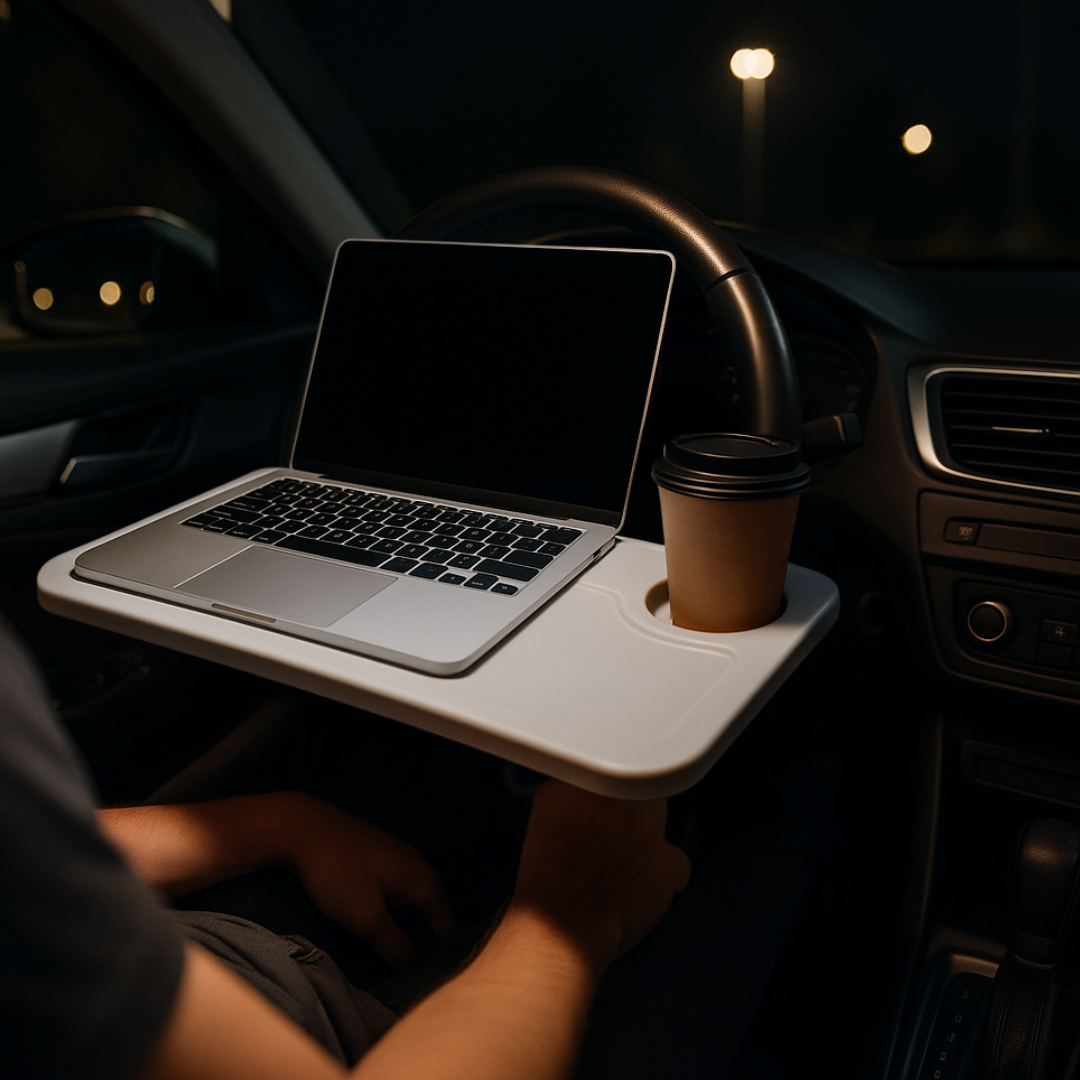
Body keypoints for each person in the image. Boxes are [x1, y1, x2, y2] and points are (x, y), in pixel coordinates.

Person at [2, 612, 695, 1080]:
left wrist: (281, 823)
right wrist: (568, 921)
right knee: (765, 860)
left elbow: (29, 870)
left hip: (202, 948)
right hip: (337, 1042)